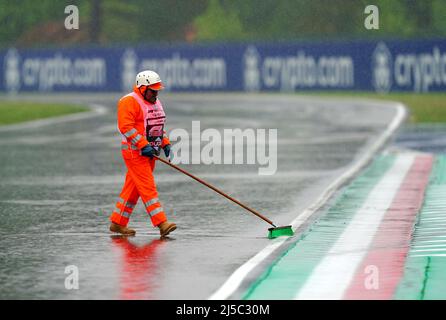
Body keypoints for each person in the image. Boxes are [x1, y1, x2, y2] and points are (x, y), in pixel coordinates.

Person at [109, 70, 176, 238]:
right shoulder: (129, 102)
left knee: (132, 189)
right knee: (148, 188)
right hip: (134, 152)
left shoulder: (155, 102)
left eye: (157, 90)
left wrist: (165, 143)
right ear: (142, 88)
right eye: (153, 90)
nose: (156, 93)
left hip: (150, 153)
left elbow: (158, 127)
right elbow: (126, 127)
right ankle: (162, 223)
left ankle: (117, 223)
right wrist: (142, 144)